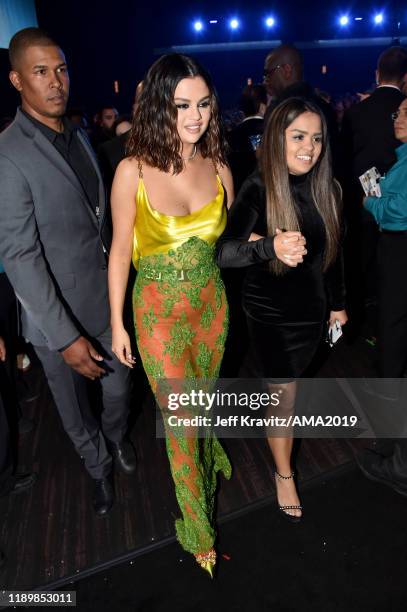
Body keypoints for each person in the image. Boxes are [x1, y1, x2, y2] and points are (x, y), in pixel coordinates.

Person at [0, 28, 135, 516]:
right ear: (17, 80)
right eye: (40, 72)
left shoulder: (78, 133)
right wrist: (64, 338)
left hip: (105, 302)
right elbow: (20, 256)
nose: (56, 82)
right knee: (75, 411)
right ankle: (97, 468)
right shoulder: (7, 154)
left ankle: (117, 438)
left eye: (61, 69)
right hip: (53, 320)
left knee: (119, 390)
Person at [108, 53, 233, 575]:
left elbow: (227, 243)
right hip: (157, 314)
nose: (195, 116)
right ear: (160, 105)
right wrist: (116, 322)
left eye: (203, 103)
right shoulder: (131, 170)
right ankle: (198, 530)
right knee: (180, 422)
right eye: (182, 104)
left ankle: (209, 455)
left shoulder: (221, 164)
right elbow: (118, 250)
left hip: (212, 308)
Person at [217, 97, 347, 521]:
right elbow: (222, 252)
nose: (309, 147)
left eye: (316, 138)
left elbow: (334, 253)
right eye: (298, 137)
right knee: (284, 395)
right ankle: (283, 472)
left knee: (292, 387)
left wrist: (338, 306)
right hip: (270, 313)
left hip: (312, 310)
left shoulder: (327, 187)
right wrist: (268, 246)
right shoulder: (258, 187)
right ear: (277, 138)